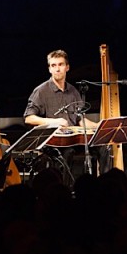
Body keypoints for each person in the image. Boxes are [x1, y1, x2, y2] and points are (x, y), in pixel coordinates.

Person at [24, 49, 100, 178]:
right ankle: (64, 191)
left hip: (73, 139)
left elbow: (79, 119)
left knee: (103, 146)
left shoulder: (73, 91)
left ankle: (101, 186)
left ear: (67, 67)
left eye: (60, 64)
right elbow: (28, 118)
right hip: (53, 142)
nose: (57, 69)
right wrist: (54, 121)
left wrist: (98, 126)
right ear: (49, 69)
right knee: (68, 152)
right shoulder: (41, 91)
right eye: (53, 65)